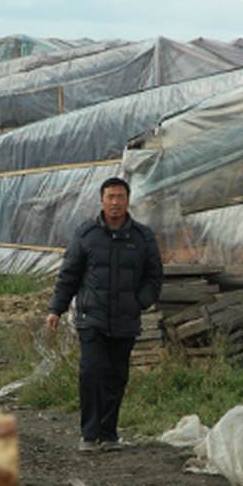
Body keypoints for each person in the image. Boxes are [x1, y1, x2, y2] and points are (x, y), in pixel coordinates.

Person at [46, 176, 163, 452]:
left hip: (125, 318)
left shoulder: (143, 237)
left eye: (120, 197)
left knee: (116, 375)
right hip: (92, 317)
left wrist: (139, 302)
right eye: (110, 197)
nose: (115, 203)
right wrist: (56, 309)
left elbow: (154, 277)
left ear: (127, 201)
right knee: (92, 372)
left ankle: (109, 434)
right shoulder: (86, 235)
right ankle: (89, 434)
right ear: (101, 201)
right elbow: (69, 275)